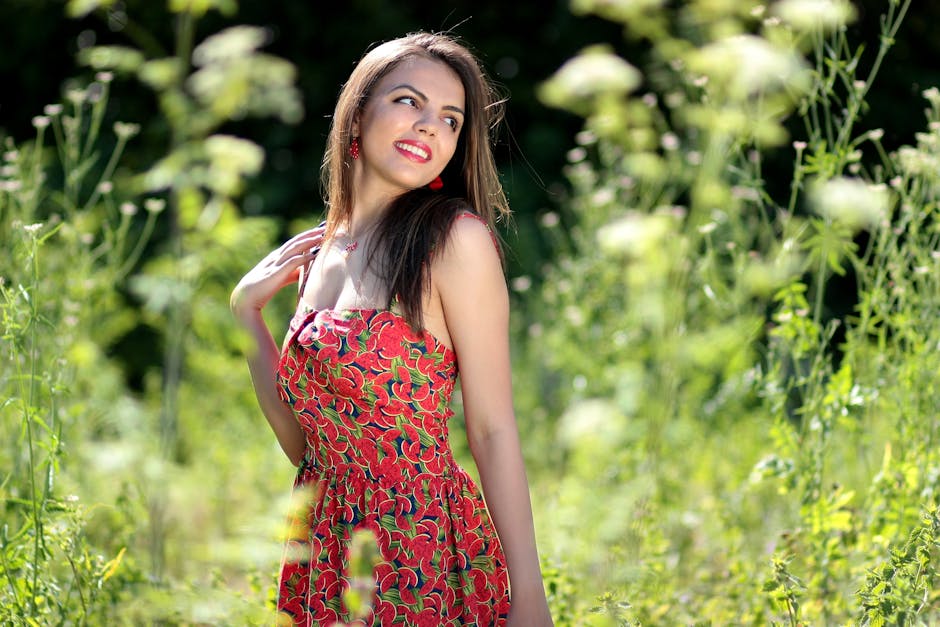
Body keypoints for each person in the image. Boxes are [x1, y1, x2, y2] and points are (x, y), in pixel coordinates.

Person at [230, 31, 553, 626]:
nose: (431, 126)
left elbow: (491, 428)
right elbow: (308, 448)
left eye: (451, 119)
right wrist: (246, 314)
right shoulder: (322, 252)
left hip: (419, 546)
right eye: (409, 101)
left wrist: (529, 596)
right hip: (324, 549)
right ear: (356, 117)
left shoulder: (454, 241)